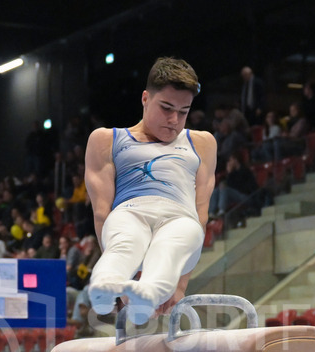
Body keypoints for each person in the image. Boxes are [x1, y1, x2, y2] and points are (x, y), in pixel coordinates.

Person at [84, 57, 217, 325]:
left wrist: (179, 287)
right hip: (130, 212)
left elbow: (201, 214)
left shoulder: (202, 142)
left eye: (183, 111)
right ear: (145, 98)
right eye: (166, 108)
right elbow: (101, 214)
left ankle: (151, 291)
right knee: (125, 241)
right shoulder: (107, 139)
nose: (174, 120)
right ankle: (106, 282)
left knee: (171, 245)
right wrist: (127, 283)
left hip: (180, 218)